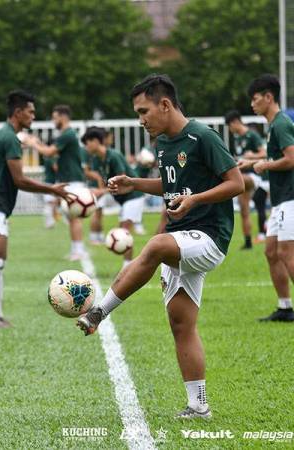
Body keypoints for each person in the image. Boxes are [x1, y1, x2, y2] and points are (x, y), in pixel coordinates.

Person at [77, 74, 244, 419]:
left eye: (144, 111)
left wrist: (194, 200)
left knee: (153, 246)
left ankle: (99, 312)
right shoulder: (164, 143)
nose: (141, 120)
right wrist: (133, 183)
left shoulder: (203, 137)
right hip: (182, 240)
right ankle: (198, 406)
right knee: (181, 323)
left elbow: (236, 183)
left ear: (165, 104)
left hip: (210, 236)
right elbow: (170, 186)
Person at [0, 90, 69, 329]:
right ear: (18, 113)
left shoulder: (6, 135)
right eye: (31, 111)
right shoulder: (10, 139)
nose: (34, 116)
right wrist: (52, 190)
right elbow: (20, 180)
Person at [240, 74, 294, 322]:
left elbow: (291, 159)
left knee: (286, 253)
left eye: (255, 99)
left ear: (269, 97)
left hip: (290, 198)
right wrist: (252, 163)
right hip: (281, 199)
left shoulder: (281, 123)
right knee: (271, 251)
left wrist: (264, 166)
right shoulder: (274, 125)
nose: (252, 104)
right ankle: (284, 308)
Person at [26, 105, 87, 260]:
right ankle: (76, 249)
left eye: (55, 117)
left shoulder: (67, 134)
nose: (53, 121)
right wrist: (38, 142)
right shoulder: (66, 134)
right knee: (70, 217)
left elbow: (48, 152)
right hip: (69, 180)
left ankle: (78, 250)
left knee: (74, 218)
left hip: (73, 181)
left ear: (63, 117)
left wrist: (33, 143)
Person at [81, 126, 146, 267]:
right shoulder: (97, 160)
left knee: (124, 232)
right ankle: (127, 265)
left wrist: (101, 192)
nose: (86, 146)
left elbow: (124, 183)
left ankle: (127, 267)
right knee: (121, 231)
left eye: (87, 142)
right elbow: (106, 184)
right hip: (122, 198)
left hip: (134, 195)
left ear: (96, 141)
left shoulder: (114, 156)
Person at [224, 110, 267, 249]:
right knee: (244, 210)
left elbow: (264, 153)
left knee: (233, 180)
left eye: (230, 126)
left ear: (236, 122)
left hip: (255, 176)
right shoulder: (238, 138)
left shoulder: (252, 135)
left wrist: (251, 156)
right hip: (243, 177)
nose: (230, 130)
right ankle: (248, 242)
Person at [82, 145, 106, 244]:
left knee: (99, 212)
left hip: (98, 187)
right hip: (95, 188)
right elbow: (87, 172)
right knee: (96, 213)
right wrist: (98, 180)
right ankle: (93, 237)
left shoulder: (96, 155)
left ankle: (99, 235)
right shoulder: (94, 156)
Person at [41, 153, 59, 228]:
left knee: (53, 203)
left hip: (50, 183)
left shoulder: (47, 158)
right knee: (50, 203)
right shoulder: (51, 159)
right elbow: (56, 168)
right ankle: (49, 223)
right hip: (50, 183)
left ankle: (50, 221)